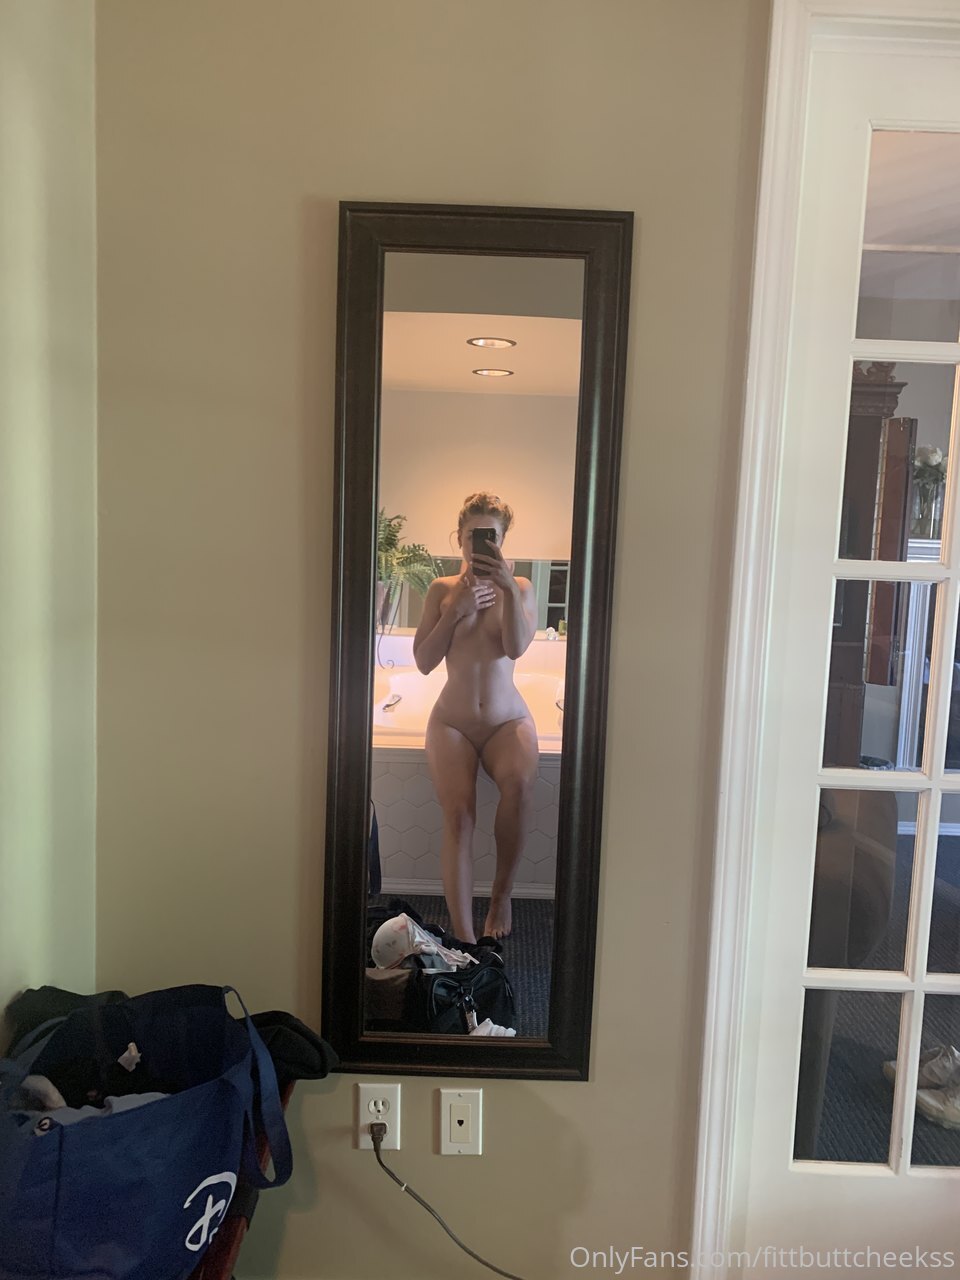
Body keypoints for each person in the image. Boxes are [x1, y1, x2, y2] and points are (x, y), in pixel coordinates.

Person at [413, 493, 540, 943]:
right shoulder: (441, 589)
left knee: (519, 786)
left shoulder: (520, 587)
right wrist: (455, 613)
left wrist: (506, 589)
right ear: (459, 539)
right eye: (472, 536)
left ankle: (501, 895)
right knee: (459, 815)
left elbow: (516, 648)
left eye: (491, 537)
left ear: (503, 541)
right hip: (454, 722)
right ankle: (465, 938)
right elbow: (423, 662)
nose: (479, 545)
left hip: (507, 720)